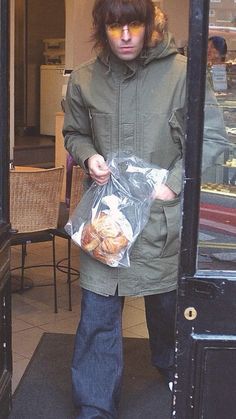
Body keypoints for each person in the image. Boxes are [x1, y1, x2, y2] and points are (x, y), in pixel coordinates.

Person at [63, 1, 228, 417]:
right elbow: (75, 132)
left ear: (150, 24)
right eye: (114, 26)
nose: (124, 36)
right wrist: (87, 156)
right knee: (98, 313)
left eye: (133, 24)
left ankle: (173, 366)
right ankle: (94, 405)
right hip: (107, 220)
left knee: (166, 308)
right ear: (102, 27)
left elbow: (213, 142)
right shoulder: (84, 79)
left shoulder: (182, 75)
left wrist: (173, 186)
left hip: (161, 221)